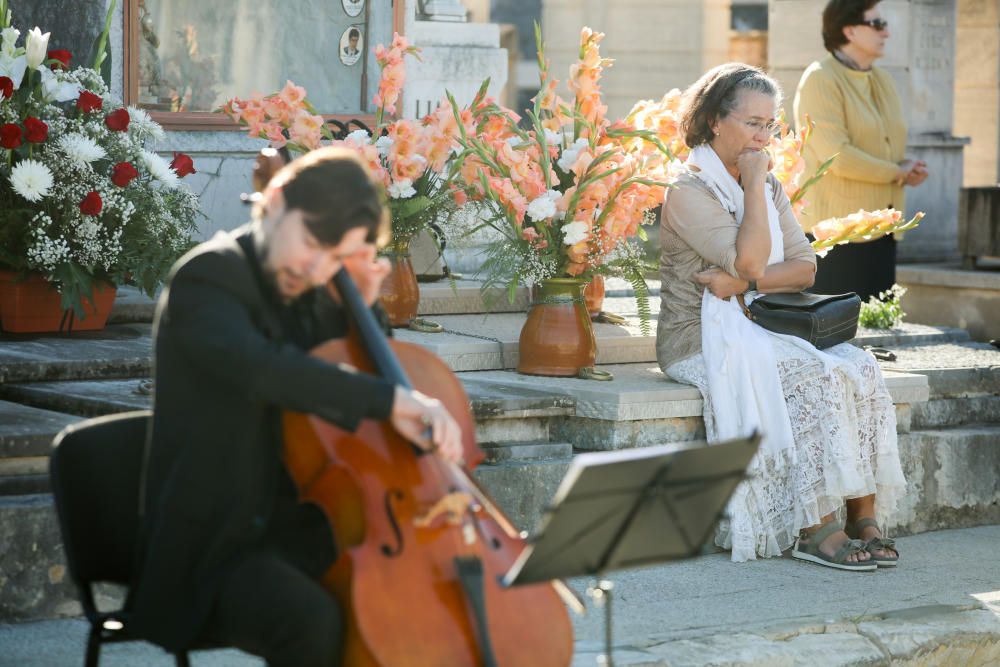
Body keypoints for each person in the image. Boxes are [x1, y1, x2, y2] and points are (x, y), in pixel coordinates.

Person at [129, 148, 464, 666]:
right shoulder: (206, 280)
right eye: (312, 243)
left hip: (303, 529)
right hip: (216, 546)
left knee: (412, 603)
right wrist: (391, 399)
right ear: (277, 201)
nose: (316, 267)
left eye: (335, 258)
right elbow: (267, 370)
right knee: (313, 621)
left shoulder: (314, 292)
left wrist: (366, 313)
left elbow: (353, 377)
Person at [656, 63, 907, 570]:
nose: (763, 136)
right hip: (698, 339)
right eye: (752, 123)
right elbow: (753, 259)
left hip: (763, 326)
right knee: (809, 374)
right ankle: (815, 527)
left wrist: (743, 285)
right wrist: (752, 187)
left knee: (859, 367)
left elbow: (804, 268)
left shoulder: (768, 187)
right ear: (713, 123)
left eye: (770, 125)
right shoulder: (689, 192)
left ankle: (864, 518)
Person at [793, 0, 928, 301]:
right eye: (877, 24)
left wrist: (907, 167)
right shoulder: (820, 78)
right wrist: (897, 173)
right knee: (836, 335)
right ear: (850, 31)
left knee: (878, 333)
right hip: (837, 233)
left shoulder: (882, 79)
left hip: (882, 228)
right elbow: (836, 156)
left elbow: (886, 143)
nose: (887, 33)